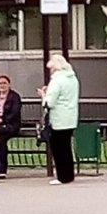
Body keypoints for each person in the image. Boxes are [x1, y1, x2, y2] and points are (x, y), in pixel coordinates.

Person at [38, 52, 79, 185]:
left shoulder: (57, 80)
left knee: (58, 148)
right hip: (70, 117)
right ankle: (69, 175)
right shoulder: (73, 79)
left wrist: (44, 95)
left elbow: (50, 102)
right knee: (66, 148)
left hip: (59, 118)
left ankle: (62, 176)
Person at [0, 75, 22, 177]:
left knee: (0, 140)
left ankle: (2, 169)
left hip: (9, 125)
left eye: (4, 83)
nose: (2, 85)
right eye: (0, 83)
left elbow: (14, 113)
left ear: (9, 84)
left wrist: (1, 120)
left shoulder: (14, 97)